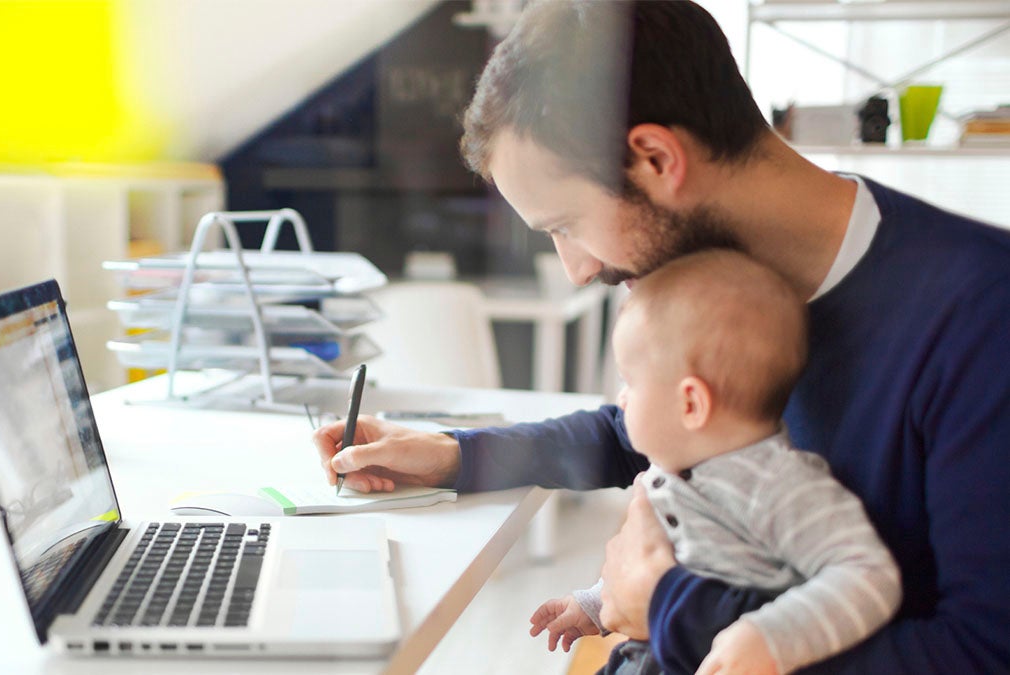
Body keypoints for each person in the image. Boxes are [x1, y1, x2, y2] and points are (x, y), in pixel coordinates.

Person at [312, 1, 1010, 671]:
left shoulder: (983, 318)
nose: (578, 269)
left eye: (564, 224)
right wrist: (453, 455)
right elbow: (631, 431)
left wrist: (663, 601)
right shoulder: (733, 290)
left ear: (654, 157)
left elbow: (982, 652)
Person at [527, 250, 901, 675]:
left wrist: (769, 638)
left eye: (630, 382)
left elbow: (869, 574)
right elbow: (655, 565)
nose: (622, 400)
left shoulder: (778, 484)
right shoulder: (677, 468)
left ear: (691, 403)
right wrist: (594, 603)